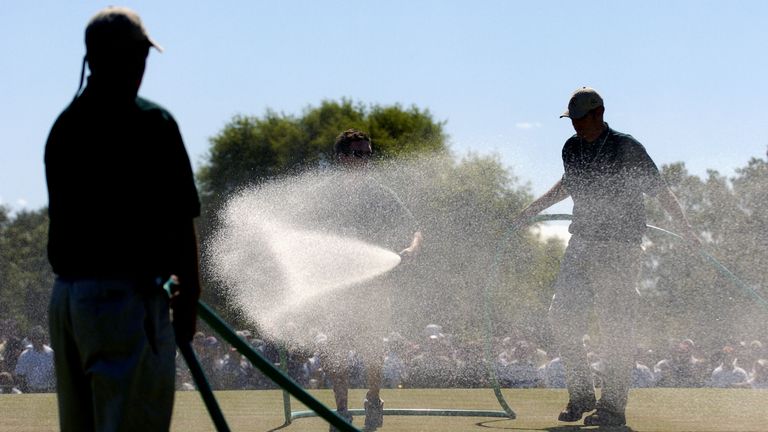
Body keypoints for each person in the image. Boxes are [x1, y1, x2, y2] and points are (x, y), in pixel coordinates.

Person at [45, 7, 201, 431]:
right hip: (125, 304)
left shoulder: (65, 126)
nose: (143, 67)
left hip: (68, 304)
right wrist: (187, 305)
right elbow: (179, 224)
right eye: (140, 56)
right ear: (130, 57)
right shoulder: (152, 122)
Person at [511, 87, 700, 427]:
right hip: (581, 243)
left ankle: (612, 407)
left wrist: (687, 229)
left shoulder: (625, 147)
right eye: (572, 120)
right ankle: (581, 394)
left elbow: (661, 190)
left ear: (598, 114)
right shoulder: (571, 148)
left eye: (580, 119)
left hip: (620, 248)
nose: (575, 126)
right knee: (561, 318)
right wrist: (530, 210)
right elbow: (566, 186)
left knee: (616, 328)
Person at [315, 128, 423, 431]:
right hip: (337, 285)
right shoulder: (326, 194)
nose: (363, 160)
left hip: (375, 284)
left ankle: (373, 400)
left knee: (372, 345)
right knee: (335, 347)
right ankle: (341, 412)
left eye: (367, 155)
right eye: (356, 154)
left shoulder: (379, 192)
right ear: (340, 158)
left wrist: (413, 249)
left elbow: (414, 228)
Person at [14, 326, 55, 393]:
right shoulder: (25, 355)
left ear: (44, 339)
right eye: (35, 338)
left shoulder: (51, 353)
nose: (37, 340)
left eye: (40, 337)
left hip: (49, 390)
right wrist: (25, 390)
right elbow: (20, 374)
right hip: (32, 390)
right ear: (31, 339)